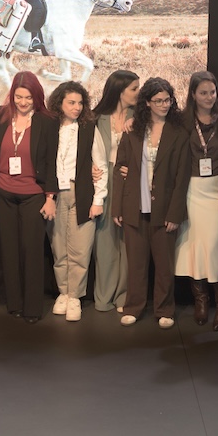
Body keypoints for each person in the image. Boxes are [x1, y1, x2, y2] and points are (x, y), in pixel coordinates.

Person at [112, 78, 190, 329]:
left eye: (168, 100)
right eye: (158, 101)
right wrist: (117, 207)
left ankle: (165, 309)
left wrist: (175, 213)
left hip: (164, 209)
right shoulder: (133, 130)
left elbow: (181, 178)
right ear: (147, 102)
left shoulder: (178, 133)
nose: (164, 105)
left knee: (164, 265)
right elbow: (120, 169)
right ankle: (133, 307)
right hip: (134, 207)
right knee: (136, 263)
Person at [174, 71, 218, 331]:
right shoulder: (182, 120)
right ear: (193, 94)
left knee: (214, 244)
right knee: (193, 244)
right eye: (203, 93)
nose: (208, 97)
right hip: (192, 189)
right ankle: (201, 300)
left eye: (212, 92)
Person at [0, 71, 58, 322]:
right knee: (8, 249)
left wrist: (50, 197)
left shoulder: (47, 121)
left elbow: (50, 161)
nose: (23, 102)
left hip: (33, 194)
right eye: (18, 97)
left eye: (28, 97)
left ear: (37, 96)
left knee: (32, 251)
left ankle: (32, 307)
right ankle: (14, 303)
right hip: (3, 191)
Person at [48, 81, 107, 322]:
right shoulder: (50, 127)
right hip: (55, 194)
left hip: (81, 192)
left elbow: (101, 166)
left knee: (80, 250)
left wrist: (98, 199)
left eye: (80, 103)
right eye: (71, 103)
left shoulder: (89, 128)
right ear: (59, 103)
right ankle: (63, 292)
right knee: (59, 248)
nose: (76, 107)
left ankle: (75, 296)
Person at [91, 70, 138, 313]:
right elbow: (85, 149)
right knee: (105, 240)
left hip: (129, 181)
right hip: (104, 181)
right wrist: (90, 168)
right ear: (120, 91)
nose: (138, 93)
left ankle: (124, 297)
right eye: (134, 89)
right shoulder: (96, 118)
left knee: (128, 241)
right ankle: (104, 296)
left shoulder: (140, 117)